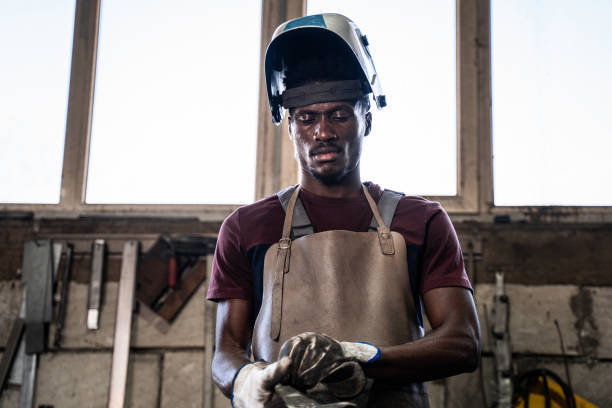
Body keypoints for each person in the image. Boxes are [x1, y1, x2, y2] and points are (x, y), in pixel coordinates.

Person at [207, 13, 481, 408]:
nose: (323, 132)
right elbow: (225, 350)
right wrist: (248, 379)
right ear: (289, 127)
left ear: (366, 120)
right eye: (307, 118)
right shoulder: (246, 227)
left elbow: (463, 342)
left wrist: (360, 358)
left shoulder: (421, 221)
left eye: (339, 115)